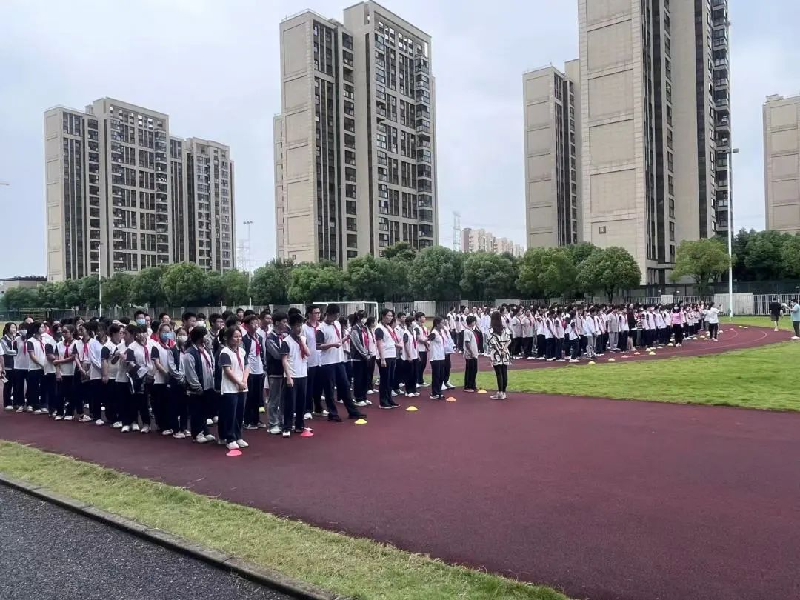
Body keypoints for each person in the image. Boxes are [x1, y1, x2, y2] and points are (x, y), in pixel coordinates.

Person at [317, 304, 366, 421]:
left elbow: (338, 341)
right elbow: (318, 346)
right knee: (329, 389)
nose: (336, 318)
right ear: (328, 314)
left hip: (339, 360)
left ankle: (352, 411)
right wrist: (332, 345)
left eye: (337, 316)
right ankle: (333, 413)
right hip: (327, 362)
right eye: (334, 316)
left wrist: (343, 340)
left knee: (345, 386)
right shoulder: (321, 328)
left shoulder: (337, 324)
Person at [181, 326, 216, 443]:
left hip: (208, 385)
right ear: (199, 337)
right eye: (205, 335)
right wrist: (196, 386)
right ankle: (197, 433)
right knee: (196, 410)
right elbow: (191, 372)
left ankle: (205, 430)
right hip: (197, 388)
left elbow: (211, 363)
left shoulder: (205, 349)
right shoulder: (190, 353)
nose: (207, 338)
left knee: (204, 410)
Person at [218, 326, 249, 451]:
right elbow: (227, 371)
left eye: (239, 336)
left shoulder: (242, 351)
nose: (238, 339)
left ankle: (238, 436)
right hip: (230, 388)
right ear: (228, 338)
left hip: (242, 387)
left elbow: (247, 366)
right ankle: (229, 438)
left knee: (240, 413)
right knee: (230, 414)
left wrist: (244, 380)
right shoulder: (225, 352)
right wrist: (238, 382)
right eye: (235, 337)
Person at [282, 313, 311, 437]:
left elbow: (308, 353)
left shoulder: (303, 339)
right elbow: (284, 360)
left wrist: (303, 343)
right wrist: (288, 377)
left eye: (300, 326)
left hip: (302, 374)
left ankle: (300, 425)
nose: (299, 329)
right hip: (292, 375)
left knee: (301, 402)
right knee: (290, 403)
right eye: (297, 326)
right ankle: (287, 427)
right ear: (291, 327)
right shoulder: (286, 341)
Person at [124, 324, 153, 433]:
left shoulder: (152, 344)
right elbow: (130, 362)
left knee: (153, 400)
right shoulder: (132, 347)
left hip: (152, 376)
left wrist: (151, 372)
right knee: (140, 401)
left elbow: (156, 359)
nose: (141, 334)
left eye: (143, 332)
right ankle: (143, 423)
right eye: (139, 332)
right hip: (138, 377)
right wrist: (142, 371)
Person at [242, 314, 266, 430]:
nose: (255, 325)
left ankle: (256, 420)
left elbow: (262, 353)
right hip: (249, 371)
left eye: (256, 323)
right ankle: (247, 420)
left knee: (258, 396)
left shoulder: (259, 337)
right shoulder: (244, 340)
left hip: (259, 370)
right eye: (252, 323)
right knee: (250, 397)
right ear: (246, 326)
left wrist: (263, 367)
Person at [375, 308, 400, 410]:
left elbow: (391, 341)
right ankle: (383, 401)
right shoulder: (379, 328)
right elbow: (379, 343)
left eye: (391, 316)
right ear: (383, 316)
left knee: (390, 379)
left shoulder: (388, 327)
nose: (390, 318)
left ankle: (389, 399)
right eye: (388, 316)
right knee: (385, 379)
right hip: (384, 356)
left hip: (392, 355)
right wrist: (382, 359)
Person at [151, 323, 174, 433]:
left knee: (169, 404)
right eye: (164, 332)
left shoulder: (173, 346)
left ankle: (170, 424)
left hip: (171, 379)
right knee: (160, 404)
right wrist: (166, 373)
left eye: (168, 332)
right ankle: (162, 425)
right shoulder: (156, 346)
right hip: (159, 379)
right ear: (159, 333)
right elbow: (157, 363)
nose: (166, 334)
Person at [303, 306, 323, 417]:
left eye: (319, 313)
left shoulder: (321, 326)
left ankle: (318, 407)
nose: (318, 315)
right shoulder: (304, 328)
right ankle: (307, 409)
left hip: (321, 360)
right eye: (316, 313)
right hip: (310, 361)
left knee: (319, 386)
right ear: (309, 314)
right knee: (309, 386)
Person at [53, 325, 76, 420]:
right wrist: (58, 371)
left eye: (66, 332)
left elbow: (73, 357)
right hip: (63, 372)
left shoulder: (76, 343)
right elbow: (56, 358)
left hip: (72, 372)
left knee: (71, 393)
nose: (64, 334)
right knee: (60, 393)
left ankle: (70, 412)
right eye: (63, 332)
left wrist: (59, 361)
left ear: (72, 332)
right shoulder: (59, 344)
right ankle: (59, 412)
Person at [487, 312, 511, 400]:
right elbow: (509, 340)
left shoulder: (491, 330)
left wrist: (499, 350)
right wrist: (504, 349)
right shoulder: (505, 329)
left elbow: (492, 343)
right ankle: (503, 392)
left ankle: (500, 392)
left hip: (496, 353)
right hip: (505, 352)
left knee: (498, 373)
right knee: (504, 372)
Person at [349, 311, 371, 406]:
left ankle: (364, 397)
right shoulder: (354, 329)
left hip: (366, 356)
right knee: (358, 378)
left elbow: (367, 341)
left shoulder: (364, 328)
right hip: (357, 357)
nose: (364, 319)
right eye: (363, 317)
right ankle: (358, 398)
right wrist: (364, 353)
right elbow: (357, 343)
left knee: (365, 377)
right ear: (358, 318)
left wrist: (368, 353)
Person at [427, 317, 446, 400]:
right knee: (436, 376)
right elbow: (427, 338)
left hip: (441, 356)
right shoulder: (434, 333)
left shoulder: (440, 332)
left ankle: (438, 391)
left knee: (441, 376)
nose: (443, 324)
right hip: (435, 358)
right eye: (442, 323)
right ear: (437, 324)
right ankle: (434, 393)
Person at [402, 315, 419, 398]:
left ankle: (414, 389)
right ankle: (408, 390)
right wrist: (408, 355)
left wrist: (417, 354)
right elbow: (405, 344)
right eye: (413, 321)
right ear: (409, 323)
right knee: (409, 374)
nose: (414, 323)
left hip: (415, 355)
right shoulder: (406, 333)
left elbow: (415, 344)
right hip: (408, 356)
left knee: (415, 373)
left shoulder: (414, 332)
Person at [462, 315, 479, 393]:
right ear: (472, 322)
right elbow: (467, 343)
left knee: (474, 370)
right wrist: (471, 352)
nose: (475, 323)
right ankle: (467, 386)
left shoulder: (471, 331)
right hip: (470, 354)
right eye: (474, 321)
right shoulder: (467, 331)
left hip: (474, 353)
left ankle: (472, 384)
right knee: (470, 370)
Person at [2, 323, 16, 411]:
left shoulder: (16, 338)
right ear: (7, 328)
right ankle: (7, 403)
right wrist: (18, 352)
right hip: (8, 365)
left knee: (16, 385)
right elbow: (6, 351)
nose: (14, 329)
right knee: (8, 385)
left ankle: (15, 402)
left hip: (16, 365)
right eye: (12, 327)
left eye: (15, 327)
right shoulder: (3, 339)